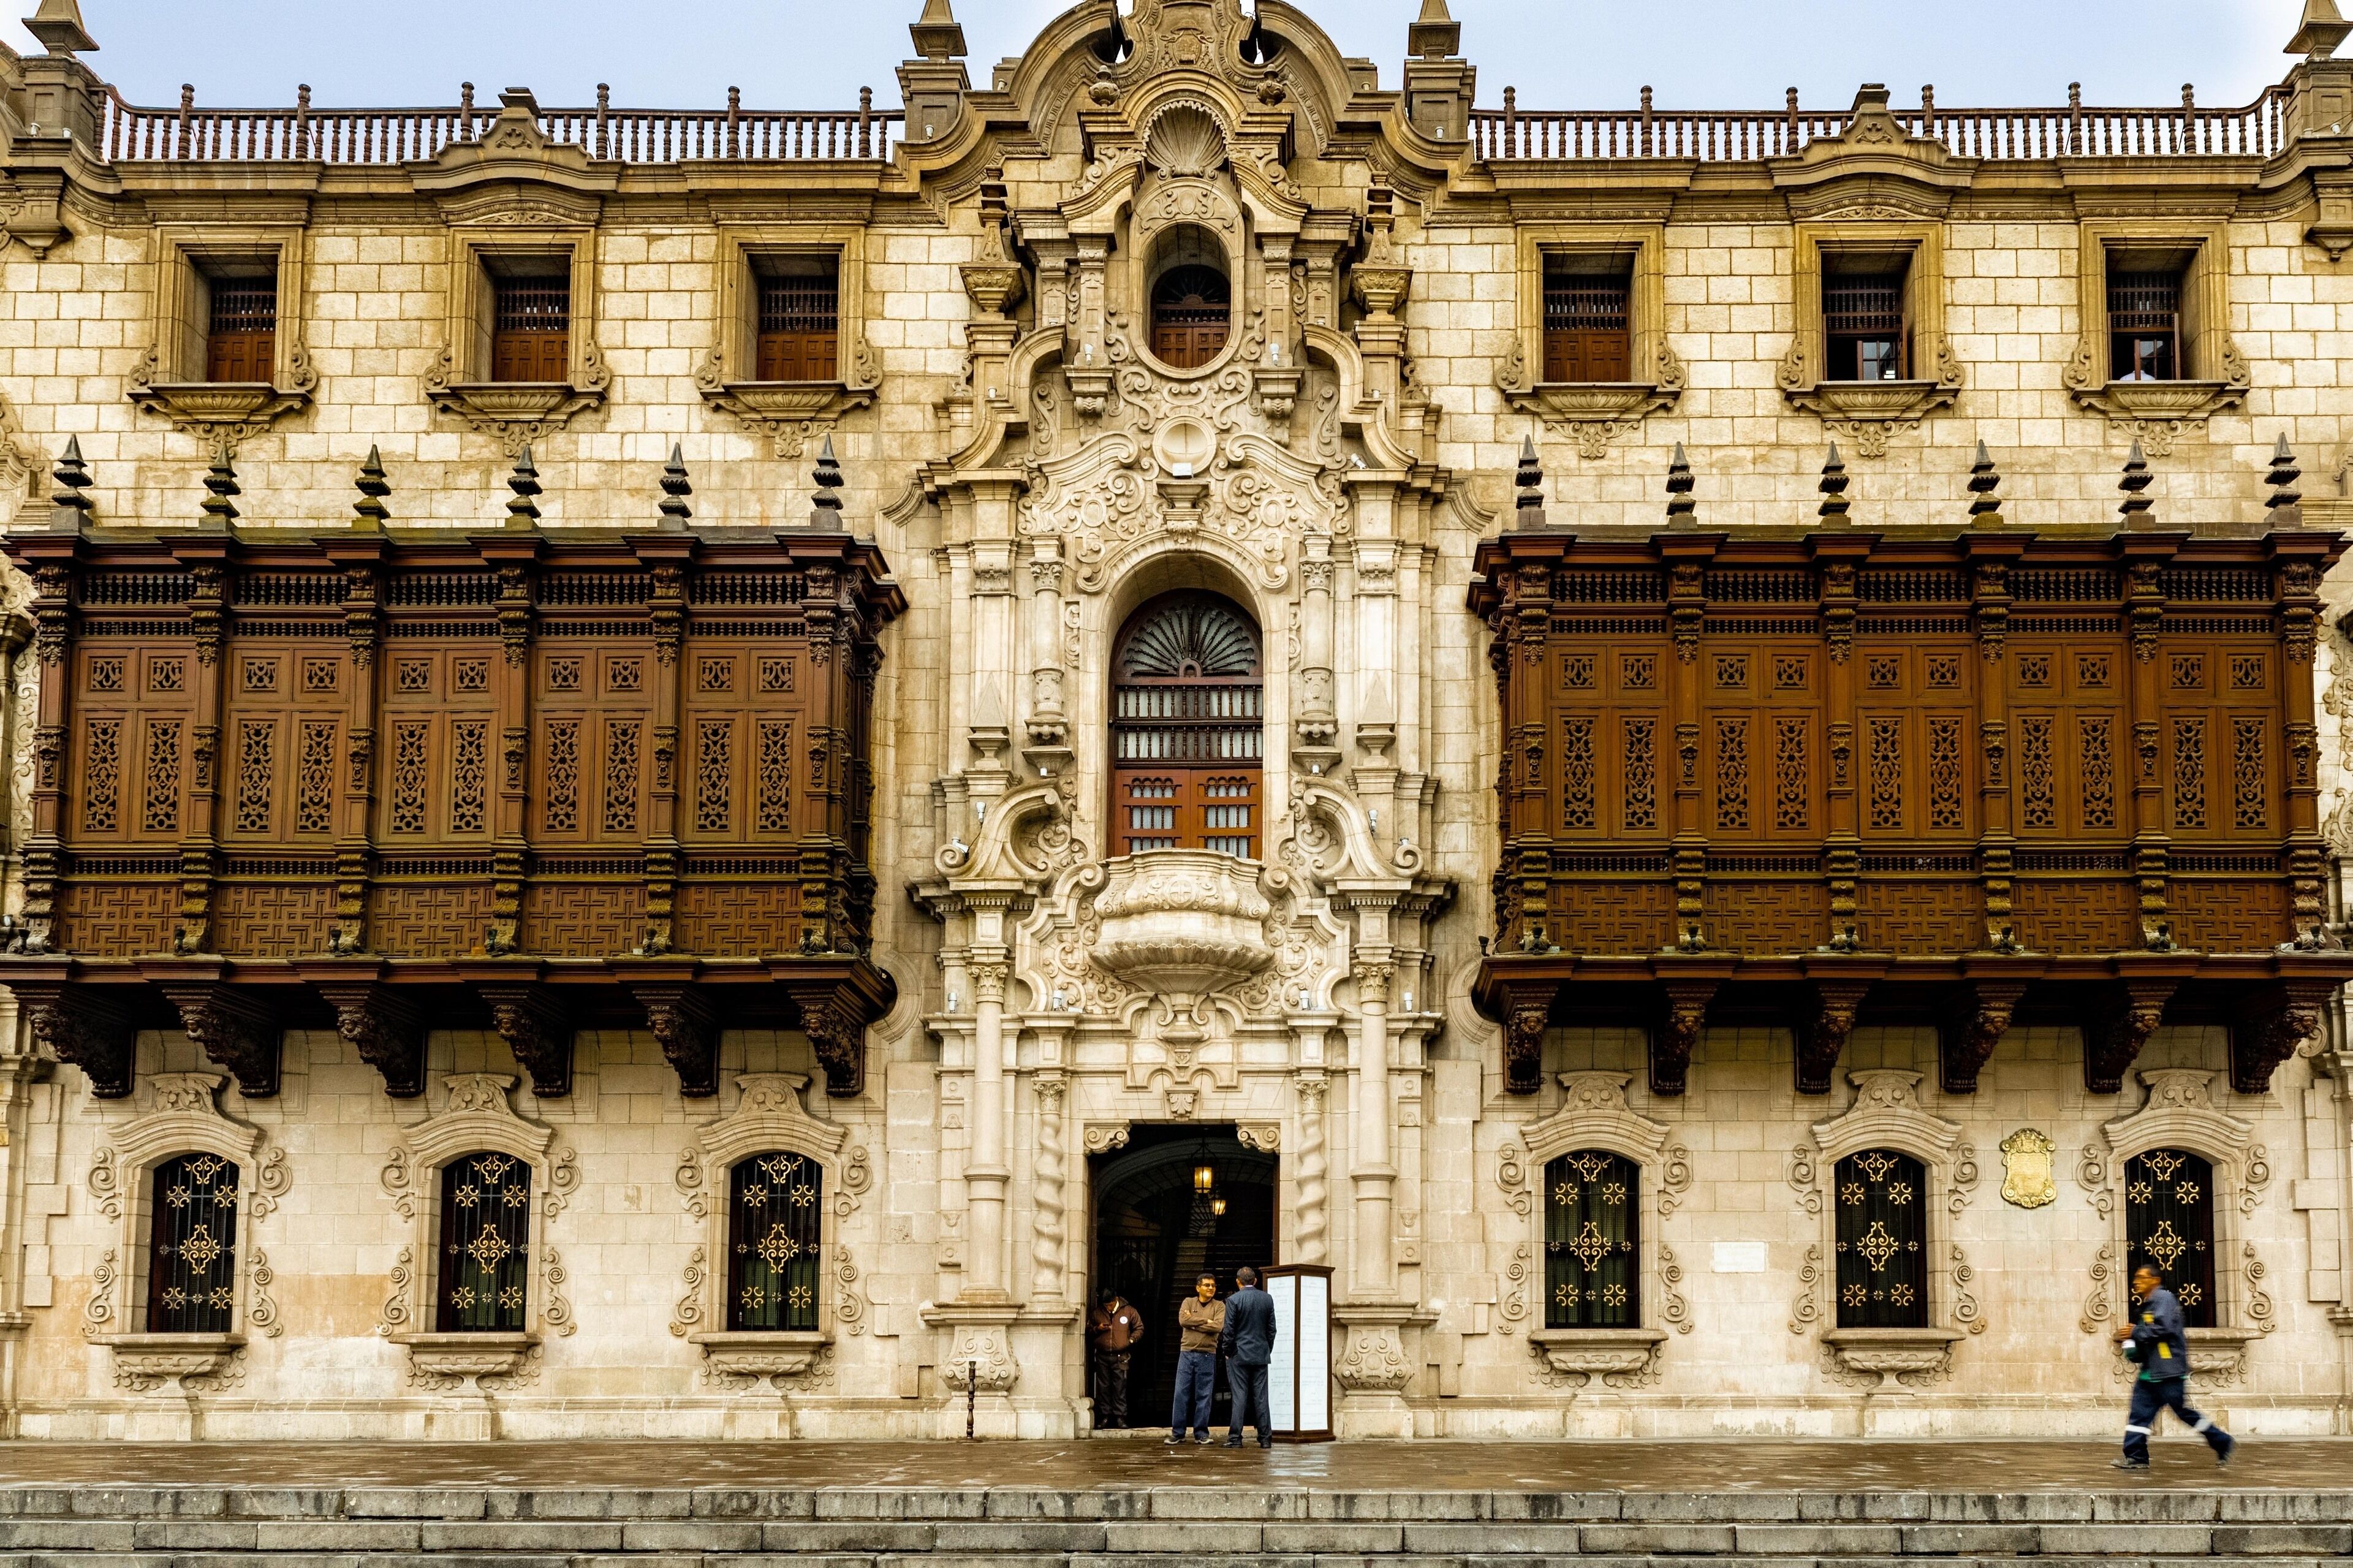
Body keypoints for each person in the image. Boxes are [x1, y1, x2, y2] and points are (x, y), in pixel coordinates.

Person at [2111, 1261, 2234, 1469]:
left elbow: (2163, 1329)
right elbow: (2147, 1340)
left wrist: (2134, 1333)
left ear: (2155, 1281)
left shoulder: (2164, 1299)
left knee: (2183, 1413)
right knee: (2138, 1415)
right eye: (2136, 1278)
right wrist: (2129, 1344)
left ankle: (2222, 1441)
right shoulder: (2147, 1305)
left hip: (2168, 1373)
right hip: (2150, 1373)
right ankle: (2136, 1457)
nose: (2137, 1282)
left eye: (2142, 1278)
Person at [1219, 1264, 1277, 1448]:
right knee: (1261, 1397)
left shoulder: (1233, 1301)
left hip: (1239, 1354)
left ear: (1238, 1282)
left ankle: (1236, 1438)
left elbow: (1228, 1331)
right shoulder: (1267, 1299)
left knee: (1239, 1396)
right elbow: (1272, 1330)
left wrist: (1228, 1352)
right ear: (1255, 1281)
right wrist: (1267, 1349)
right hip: (1260, 1354)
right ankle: (1265, 1439)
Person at [1167, 1273, 1225, 1445]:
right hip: (1186, 1353)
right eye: (1207, 1285)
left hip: (1208, 1354)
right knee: (1180, 1393)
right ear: (1198, 1287)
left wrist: (1194, 1322)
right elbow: (1183, 1321)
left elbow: (1218, 1326)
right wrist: (1206, 1321)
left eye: (1213, 1285)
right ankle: (1178, 1433)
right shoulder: (1188, 1302)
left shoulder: (1220, 1306)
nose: (1211, 1288)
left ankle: (1201, 1433)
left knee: (1204, 1395)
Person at [1087, 1287, 1144, 1429]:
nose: (1108, 1307)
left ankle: (1120, 1417)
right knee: (1103, 1387)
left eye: (1110, 1305)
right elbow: (1089, 1330)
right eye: (1106, 1305)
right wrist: (1098, 1329)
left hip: (1121, 1354)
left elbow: (1139, 1328)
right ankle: (1105, 1416)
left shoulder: (1129, 1311)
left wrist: (1130, 1340)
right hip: (1102, 1354)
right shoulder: (1097, 1313)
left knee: (1120, 1387)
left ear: (1116, 1300)